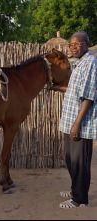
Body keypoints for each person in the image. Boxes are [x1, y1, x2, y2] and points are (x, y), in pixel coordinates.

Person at [59, 30, 97, 209]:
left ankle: (80, 199)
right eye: (71, 44)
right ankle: (75, 189)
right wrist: (60, 88)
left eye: (78, 44)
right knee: (70, 158)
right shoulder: (80, 63)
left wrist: (77, 124)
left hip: (80, 124)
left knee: (80, 162)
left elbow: (88, 97)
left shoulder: (90, 63)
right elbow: (76, 89)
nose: (74, 47)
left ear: (86, 44)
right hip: (70, 121)